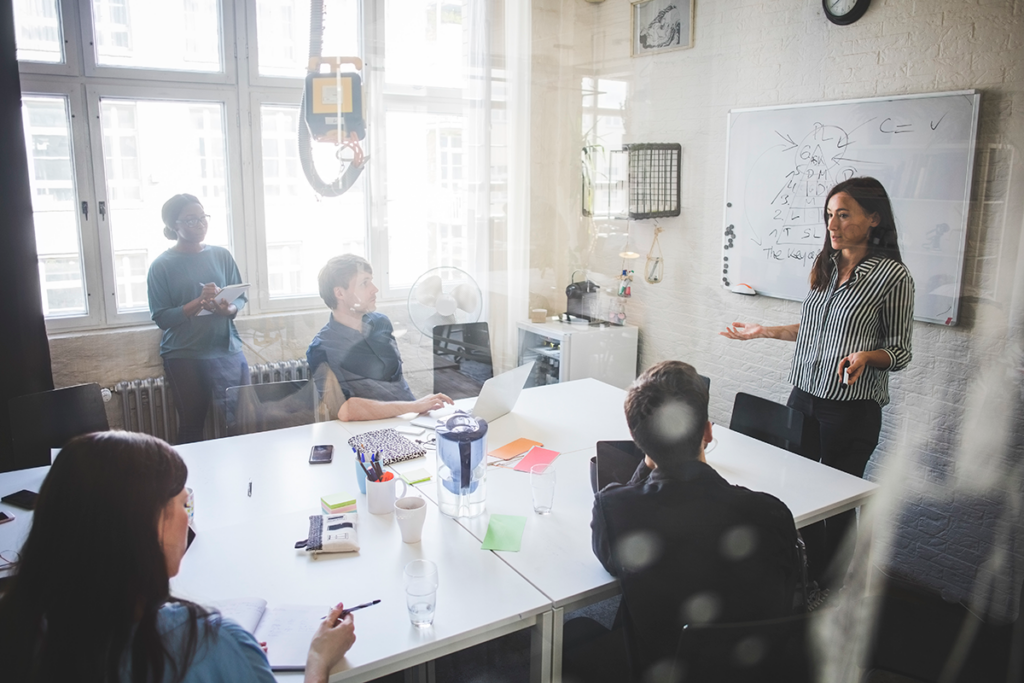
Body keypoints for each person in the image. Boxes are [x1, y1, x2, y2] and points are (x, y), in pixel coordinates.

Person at [0, 431, 355, 683]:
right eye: (182, 504)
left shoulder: (18, 630)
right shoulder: (207, 644)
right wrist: (317, 660)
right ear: (150, 525)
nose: (189, 517)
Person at [721, 176, 914, 588]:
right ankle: (803, 576)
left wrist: (867, 356)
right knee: (796, 490)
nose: (833, 224)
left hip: (850, 409)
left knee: (837, 503)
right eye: (829, 215)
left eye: (844, 214)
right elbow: (813, 328)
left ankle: (831, 590)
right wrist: (763, 331)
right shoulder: (828, 263)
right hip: (803, 396)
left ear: (874, 218)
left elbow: (900, 351)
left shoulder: (893, 277)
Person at [590, 360, 800, 676]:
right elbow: (790, 590)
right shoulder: (771, 512)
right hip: (756, 671)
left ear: (635, 437)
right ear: (707, 431)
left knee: (580, 630)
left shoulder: (615, 509)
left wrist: (647, 464)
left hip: (665, 670)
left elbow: (611, 563)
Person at [148, 194, 250, 444]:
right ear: (174, 226)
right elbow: (162, 317)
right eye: (191, 220)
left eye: (203, 217)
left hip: (226, 349)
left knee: (244, 421)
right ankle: (187, 483)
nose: (200, 224)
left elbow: (241, 297)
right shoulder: (161, 265)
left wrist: (228, 310)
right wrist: (197, 302)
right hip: (185, 355)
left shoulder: (221, 255)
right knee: (192, 425)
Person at [307, 254, 453, 421]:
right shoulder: (321, 349)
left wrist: (419, 408)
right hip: (369, 432)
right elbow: (344, 410)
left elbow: (396, 383)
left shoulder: (382, 322)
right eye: (364, 283)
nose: (374, 289)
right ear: (339, 293)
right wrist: (413, 406)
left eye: (371, 281)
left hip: (413, 421)